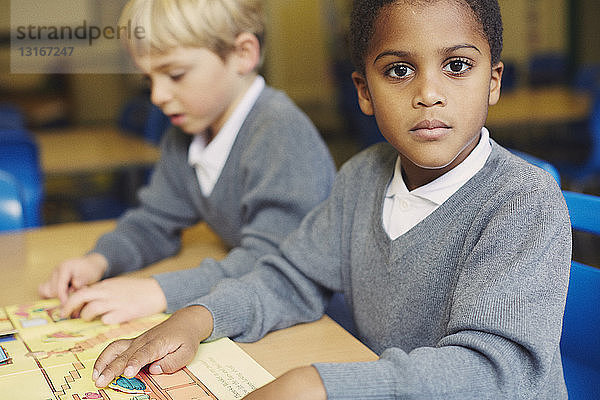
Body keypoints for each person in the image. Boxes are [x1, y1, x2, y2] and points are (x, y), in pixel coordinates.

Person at [92, 0, 572, 398]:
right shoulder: (362, 178)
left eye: (458, 66)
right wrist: (199, 318)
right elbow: (291, 277)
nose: (429, 93)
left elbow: (496, 373)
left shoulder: (522, 202)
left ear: (493, 81)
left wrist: (320, 386)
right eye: (399, 70)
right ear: (364, 90)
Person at [37, 0, 336, 325]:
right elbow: (154, 222)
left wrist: (157, 292)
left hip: (318, 315)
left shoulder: (281, 132)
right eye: (148, 79)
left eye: (175, 74)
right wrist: (100, 260)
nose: (157, 96)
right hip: (251, 301)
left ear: (243, 54)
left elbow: (274, 263)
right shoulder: (187, 132)